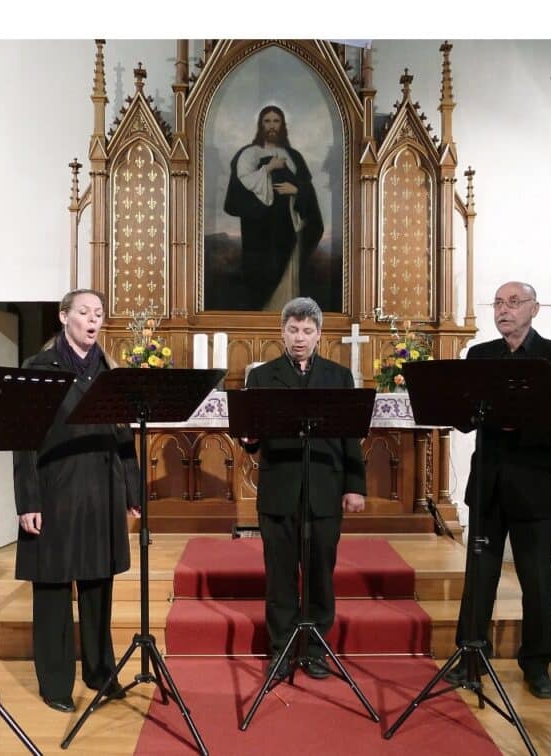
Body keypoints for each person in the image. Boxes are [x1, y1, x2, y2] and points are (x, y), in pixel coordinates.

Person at [446, 281, 551, 700]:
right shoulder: (480, 356)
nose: (504, 310)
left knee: (536, 580)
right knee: (480, 576)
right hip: (488, 483)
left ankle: (537, 664)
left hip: (534, 486)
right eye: (498, 303)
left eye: (514, 302)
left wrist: (527, 428)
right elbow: (464, 416)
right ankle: (471, 655)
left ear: (535, 309)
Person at [13, 288, 141, 713]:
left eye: (99, 313)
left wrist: (132, 490)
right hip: (55, 490)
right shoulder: (39, 368)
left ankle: (100, 670)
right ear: (64, 316)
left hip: (102, 490)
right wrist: (27, 500)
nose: (93, 319)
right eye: (84, 312)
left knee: (98, 584)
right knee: (52, 587)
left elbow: (124, 436)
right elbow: (23, 440)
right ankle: (55, 682)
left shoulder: (109, 369)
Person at [242, 296, 366, 679]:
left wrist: (354, 486)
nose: (300, 337)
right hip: (279, 490)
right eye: (293, 330)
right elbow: (252, 436)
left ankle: (315, 649)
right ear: (282, 333)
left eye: (307, 331)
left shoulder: (338, 377)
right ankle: (281, 649)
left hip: (325, 490)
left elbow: (350, 438)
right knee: (279, 574)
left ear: (319, 335)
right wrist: (247, 438)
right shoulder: (261, 377)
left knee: (319, 572)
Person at [224, 105, 324, 311]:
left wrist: (296, 189)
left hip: (288, 228)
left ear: (283, 126)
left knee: (288, 278)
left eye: (276, 121)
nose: (272, 126)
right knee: (262, 278)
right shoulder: (248, 154)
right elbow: (236, 196)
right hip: (259, 233)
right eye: (267, 121)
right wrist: (268, 170)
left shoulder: (294, 156)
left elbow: (307, 189)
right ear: (261, 125)